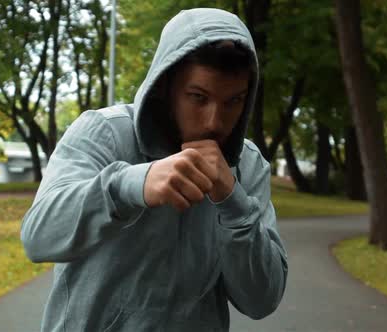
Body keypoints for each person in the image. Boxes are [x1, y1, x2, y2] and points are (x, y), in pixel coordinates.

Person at [21, 7, 288, 331]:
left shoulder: (248, 165)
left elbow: (261, 301)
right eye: (198, 97)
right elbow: (38, 238)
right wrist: (127, 187)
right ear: (165, 87)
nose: (215, 122)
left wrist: (233, 202)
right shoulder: (104, 132)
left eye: (234, 101)